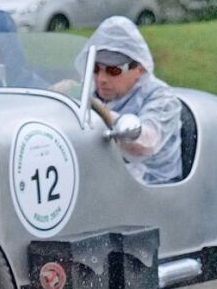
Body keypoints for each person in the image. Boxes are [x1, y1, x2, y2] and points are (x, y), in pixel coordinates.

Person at [77, 16, 183, 184]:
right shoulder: (90, 92)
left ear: (139, 69)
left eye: (113, 71)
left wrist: (98, 110)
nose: (101, 79)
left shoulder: (162, 98)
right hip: (106, 185)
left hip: (151, 192)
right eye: (96, 69)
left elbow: (145, 144)